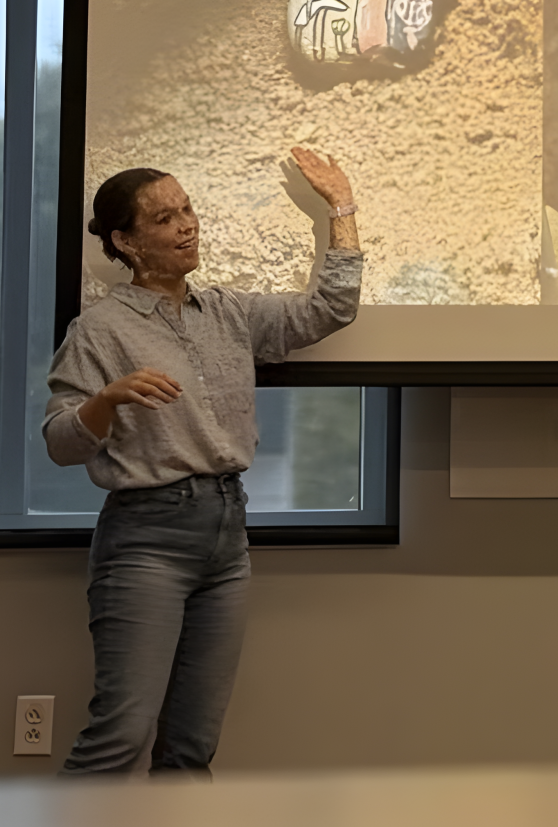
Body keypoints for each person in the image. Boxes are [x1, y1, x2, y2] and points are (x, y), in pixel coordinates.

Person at [44, 149, 362, 775]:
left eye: (187, 209)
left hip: (227, 536)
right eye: (165, 218)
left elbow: (330, 308)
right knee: (120, 735)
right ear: (126, 243)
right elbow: (60, 442)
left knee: (191, 748)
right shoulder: (100, 330)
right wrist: (107, 399)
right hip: (146, 538)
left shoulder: (229, 313)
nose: (187, 224)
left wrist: (341, 207)